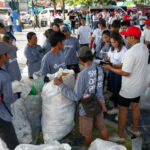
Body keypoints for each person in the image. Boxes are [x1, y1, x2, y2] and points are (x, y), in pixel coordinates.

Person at [54, 46, 108, 147]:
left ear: (80, 59)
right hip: (99, 103)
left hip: (87, 108)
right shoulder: (99, 69)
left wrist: (60, 84)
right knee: (102, 128)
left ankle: (89, 148)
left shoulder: (83, 75)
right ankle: (108, 146)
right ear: (91, 57)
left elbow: (75, 96)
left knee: (87, 133)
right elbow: (92, 80)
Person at [102, 26, 149, 143]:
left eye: (126, 36)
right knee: (135, 107)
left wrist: (109, 68)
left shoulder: (130, 52)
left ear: (133, 37)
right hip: (139, 86)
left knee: (122, 110)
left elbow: (125, 72)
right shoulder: (144, 48)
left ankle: (120, 135)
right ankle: (135, 129)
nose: (125, 38)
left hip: (129, 88)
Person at [0, 42, 20, 150]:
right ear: (2, 56)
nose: (10, 56)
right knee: (13, 145)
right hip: (2, 116)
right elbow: (8, 98)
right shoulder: (4, 76)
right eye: (8, 54)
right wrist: (18, 95)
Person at [106, 32, 127, 115]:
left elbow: (123, 65)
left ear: (119, 41)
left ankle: (120, 110)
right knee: (113, 90)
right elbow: (108, 58)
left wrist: (112, 65)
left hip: (119, 73)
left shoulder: (124, 50)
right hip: (112, 71)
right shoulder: (112, 48)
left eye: (114, 42)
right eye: (111, 42)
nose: (113, 44)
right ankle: (115, 107)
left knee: (118, 91)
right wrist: (103, 61)